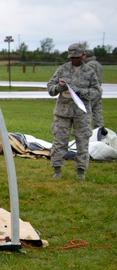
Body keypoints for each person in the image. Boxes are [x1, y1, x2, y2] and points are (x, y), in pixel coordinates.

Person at [47, 43, 101, 179]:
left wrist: (81, 92)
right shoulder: (62, 69)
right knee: (59, 141)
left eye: (77, 57)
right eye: (72, 57)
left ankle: (81, 171)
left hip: (81, 113)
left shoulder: (89, 71)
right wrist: (59, 88)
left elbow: (96, 91)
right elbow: (50, 88)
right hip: (62, 112)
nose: (74, 60)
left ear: (82, 56)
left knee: (82, 141)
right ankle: (57, 170)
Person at [83, 48, 106, 134]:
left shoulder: (89, 65)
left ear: (86, 55)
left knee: (85, 111)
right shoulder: (97, 64)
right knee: (97, 111)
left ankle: (85, 130)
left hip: (91, 90)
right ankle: (99, 129)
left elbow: (86, 78)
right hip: (98, 89)